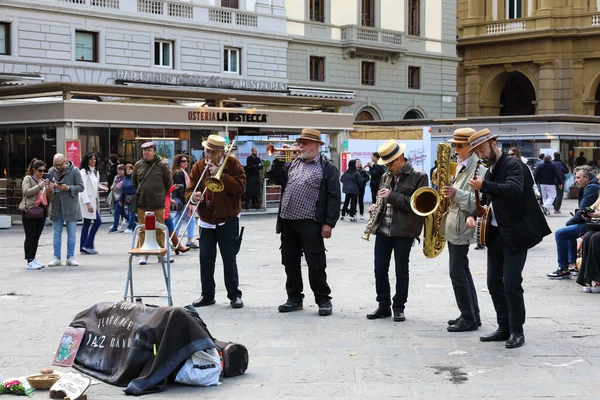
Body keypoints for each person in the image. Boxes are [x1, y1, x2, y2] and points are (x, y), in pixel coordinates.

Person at [466, 129, 551, 349]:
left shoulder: (514, 165)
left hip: (516, 233)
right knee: (493, 283)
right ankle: (503, 327)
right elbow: (487, 200)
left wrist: (483, 185)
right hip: (496, 234)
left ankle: (517, 330)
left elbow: (513, 190)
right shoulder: (491, 169)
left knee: (512, 283)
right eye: (477, 153)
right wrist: (473, 214)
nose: (481, 156)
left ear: (494, 144)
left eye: (482, 150)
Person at [268, 128, 340, 316]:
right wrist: (278, 158)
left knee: (316, 262)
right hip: (288, 220)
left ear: (316, 146)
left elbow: (334, 196)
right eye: (300, 142)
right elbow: (274, 178)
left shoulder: (327, 167)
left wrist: (329, 223)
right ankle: (294, 298)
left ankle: (323, 299)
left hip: (310, 221)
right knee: (289, 261)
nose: (300, 146)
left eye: (305, 143)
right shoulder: (292, 164)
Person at [365, 140, 428, 322]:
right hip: (384, 228)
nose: (388, 168)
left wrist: (392, 196)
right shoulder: (386, 176)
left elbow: (420, 205)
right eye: (386, 165)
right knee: (379, 269)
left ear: (400, 158)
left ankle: (399, 307)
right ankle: (383, 305)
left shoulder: (419, 176)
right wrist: (375, 208)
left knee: (401, 270)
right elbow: (381, 198)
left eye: (390, 164)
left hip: (404, 230)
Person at [187, 135, 246, 309]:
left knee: (229, 258)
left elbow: (241, 188)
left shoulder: (233, 164)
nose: (209, 155)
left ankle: (234, 295)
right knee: (205, 258)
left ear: (222, 152)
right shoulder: (198, 166)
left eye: (213, 152)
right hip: (206, 220)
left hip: (228, 219)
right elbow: (190, 188)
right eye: (207, 151)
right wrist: (192, 196)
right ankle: (207, 295)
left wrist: (221, 177)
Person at [441, 128, 485, 332]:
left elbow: (480, 202)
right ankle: (471, 314)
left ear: (472, 147)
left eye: (460, 145)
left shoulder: (479, 169)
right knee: (462, 271)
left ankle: (468, 317)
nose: (456, 149)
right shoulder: (461, 166)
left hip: (462, 226)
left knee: (457, 272)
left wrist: (455, 193)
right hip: (454, 224)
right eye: (454, 145)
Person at [548, 165, 600, 279]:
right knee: (568, 232)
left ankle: (563, 268)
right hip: (591, 221)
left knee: (560, 233)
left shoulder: (591, 188)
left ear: (586, 178)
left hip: (592, 223)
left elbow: (585, 209)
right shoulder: (591, 186)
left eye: (577, 177)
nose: (575, 180)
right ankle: (571, 264)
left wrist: (571, 222)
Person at [132, 142, 172, 265]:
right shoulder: (138, 165)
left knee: (160, 229)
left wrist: (159, 194)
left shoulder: (162, 166)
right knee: (142, 229)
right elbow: (135, 183)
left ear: (154, 151)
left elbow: (168, 183)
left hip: (158, 203)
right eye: (144, 150)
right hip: (142, 203)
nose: (146, 153)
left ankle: (161, 254)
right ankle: (143, 255)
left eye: (149, 150)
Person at [47, 153, 85, 267]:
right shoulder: (51, 171)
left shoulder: (75, 171)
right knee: (56, 233)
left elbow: (81, 187)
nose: (57, 167)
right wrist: (50, 188)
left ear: (65, 161)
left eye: (59, 165)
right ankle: (56, 257)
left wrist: (68, 188)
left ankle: (70, 257)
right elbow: (47, 186)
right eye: (55, 165)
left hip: (71, 207)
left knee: (72, 233)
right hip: (56, 206)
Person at [19, 158, 54, 270]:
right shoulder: (28, 179)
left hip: (41, 211)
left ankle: (33, 259)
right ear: (34, 170)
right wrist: (40, 186)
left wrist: (50, 190)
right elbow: (26, 192)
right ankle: (29, 260)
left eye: (44, 171)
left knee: (36, 237)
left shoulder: (42, 181)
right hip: (30, 211)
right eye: (40, 170)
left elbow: (50, 199)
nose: (42, 173)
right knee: (30, 236)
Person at [79, 152, 106, 255]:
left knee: (86, 223)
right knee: (98, 222)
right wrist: (88, 203)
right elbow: (83, 189)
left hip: (93, 200)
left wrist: (101, 187)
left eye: (94, 159)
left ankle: (84, 246)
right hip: (88, 201)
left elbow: (94, 184)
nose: (93, 161)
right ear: (87, 161)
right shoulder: (83, 172)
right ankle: (88, 245)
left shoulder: (95, 172)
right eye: (91, 159)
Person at [171, 154, 198, 248]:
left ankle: (173, 239)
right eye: (183, 161)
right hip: (182, 200)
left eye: (187, 161)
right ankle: (190, 240)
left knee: (177, 219)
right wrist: (186, 201)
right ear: (179, 163)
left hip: (179, 199)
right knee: (190, 219)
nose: (186, 162)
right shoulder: (179, 173)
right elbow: (180, 189)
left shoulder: (180, 172)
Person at [108, 164, 126, 233]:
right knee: (123, 213)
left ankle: (115, 227)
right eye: (118, 170)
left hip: (121, 197)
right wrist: (112, 187)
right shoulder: (116, 177)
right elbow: (113, 184)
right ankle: (134, 222)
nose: (119, 172)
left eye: (121, 170)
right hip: (115, 196)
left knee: (116, 212)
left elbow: (124, 189)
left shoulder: (125, 178)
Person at [122, 163, 137, 233]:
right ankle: (134, 224)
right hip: (127, 197)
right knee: (128, 212)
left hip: (134, 196)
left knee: (131, 212)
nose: (128, 171)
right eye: (126, 169)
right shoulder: (125, 178)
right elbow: (123, 188)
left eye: (129, 169)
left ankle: (130, 227)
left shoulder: (134, 177)